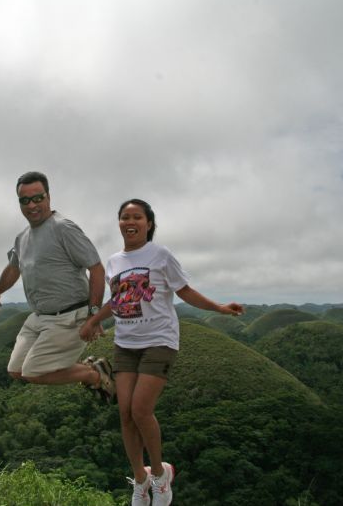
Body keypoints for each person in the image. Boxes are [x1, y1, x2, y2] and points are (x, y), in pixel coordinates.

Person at [79, 198, 244, 506]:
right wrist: (93, 321)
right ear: (119, 223)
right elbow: (116, 300)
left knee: (141, 410)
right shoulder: (114, 260)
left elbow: (185, 290)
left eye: (137, 217)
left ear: (149, 223)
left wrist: (219, 308)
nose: (130, 221)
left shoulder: (161, 255)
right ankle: (140, 482)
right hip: (126, 343)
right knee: (125, 414)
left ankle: (160, 476)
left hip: (159, 340)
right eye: (125, 217)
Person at [0, 171, 115, 400]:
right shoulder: (22, 237)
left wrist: (94, 316)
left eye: (37, 198)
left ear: (48, 197)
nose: (32, 205)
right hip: (39, 316)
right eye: (25, 200)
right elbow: (13, 269)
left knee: (34, 372)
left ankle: (94, 375)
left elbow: (96, 269)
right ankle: (90, 369)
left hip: (69, 314)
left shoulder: (63, 228)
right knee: (16, 371)